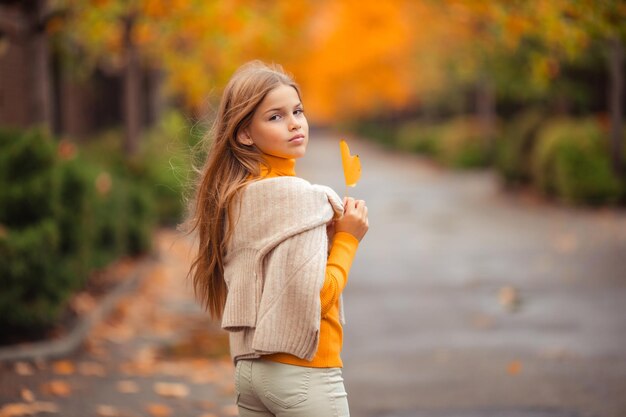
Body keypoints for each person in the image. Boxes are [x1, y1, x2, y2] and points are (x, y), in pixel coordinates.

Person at [185, 60, 368, 417]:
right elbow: (318, 297)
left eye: (297, 111)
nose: (295, 123)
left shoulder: (234, 196)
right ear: (244, 134)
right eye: (275, 116)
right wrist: (347, 239)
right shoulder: (302, 199)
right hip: (304, 371)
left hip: (250, 373)